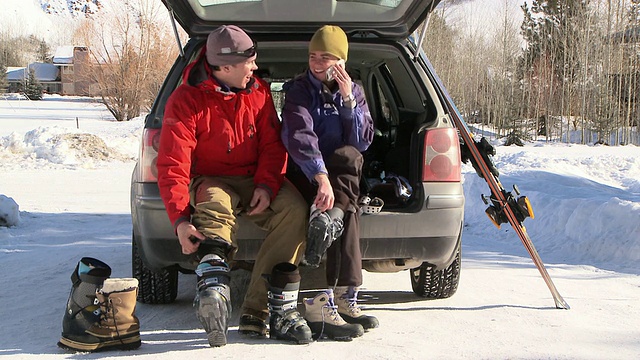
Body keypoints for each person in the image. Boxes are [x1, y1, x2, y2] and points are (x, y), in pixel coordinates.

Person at [156, 25, 312, 347]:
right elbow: (173, 164)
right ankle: (214, 288)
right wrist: (181, 221)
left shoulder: (258, 92)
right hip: (212, 179)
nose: (255, 68)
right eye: (249, 62)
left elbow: (273, 145)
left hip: (256, 178)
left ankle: (258, 308)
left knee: (294, 210)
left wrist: (267, 186)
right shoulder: (185, 100)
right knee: (213, 205)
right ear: (225, 67)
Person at [281, 25, 379, 341]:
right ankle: (341, 297)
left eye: (325, 56)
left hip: (338, 178)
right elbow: (300, 136)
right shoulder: (298, 90)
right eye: (313, 55)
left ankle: (329, 301)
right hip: (305, 172)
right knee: (346, 207)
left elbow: (361, 141)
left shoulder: (355, 92)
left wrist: (348, 99)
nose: (317, 62)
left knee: (350, 163)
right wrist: (320, 176)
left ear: (341, 60)